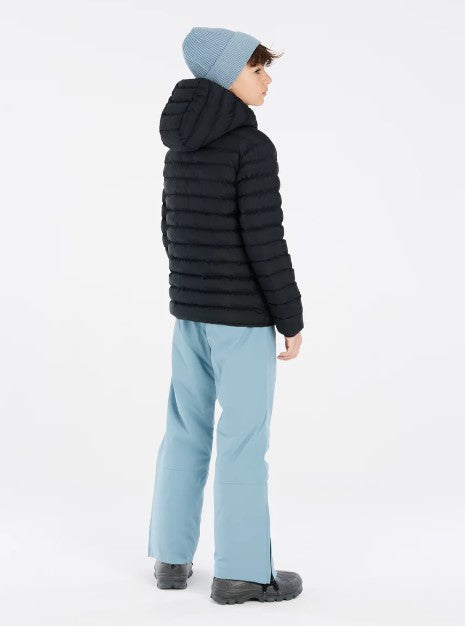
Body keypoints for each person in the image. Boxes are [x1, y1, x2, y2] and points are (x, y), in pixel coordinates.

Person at [147, 26, 304, 604]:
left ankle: (170, 558)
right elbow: (265, 241)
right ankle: (241, 573)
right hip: (241, 319)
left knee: (185, 429)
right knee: (242, 440)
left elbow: (169, 228)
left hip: (189, 314)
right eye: (257, 69)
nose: (267, 80)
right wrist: (290, 316)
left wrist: (193, 289)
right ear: (226, 74)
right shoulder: (250, 147)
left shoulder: (179, 145)